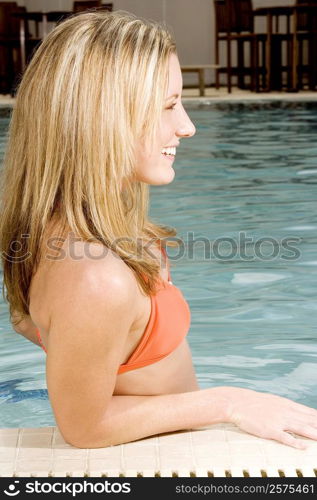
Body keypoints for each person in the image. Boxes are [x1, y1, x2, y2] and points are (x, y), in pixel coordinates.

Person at [1, 10, 316, 450]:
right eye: (169, 106)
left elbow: (34, 322)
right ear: (101, 118)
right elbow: (85, 428)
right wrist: (227, 402)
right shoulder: (94, 276)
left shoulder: (78, 230)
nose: (187, 126)